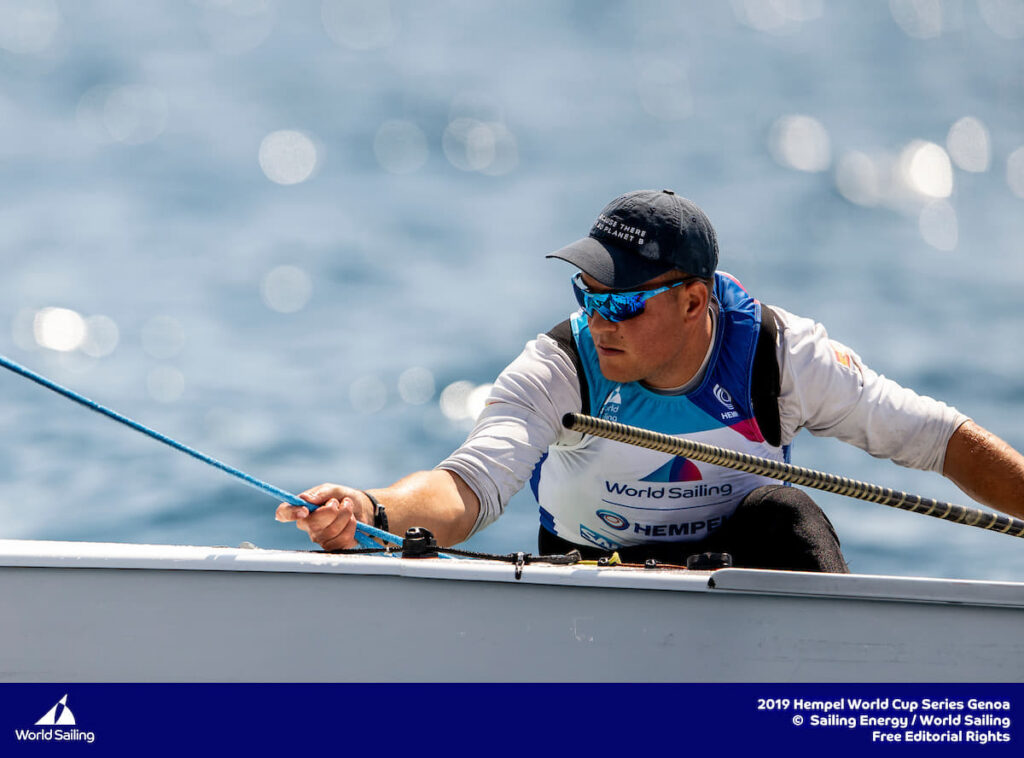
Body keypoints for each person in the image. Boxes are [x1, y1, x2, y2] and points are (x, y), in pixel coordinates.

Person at [276, 189, 1024, 572]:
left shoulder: (779, 355)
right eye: (589, 295)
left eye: (625, 302)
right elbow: (466, 490)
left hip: (737, 582)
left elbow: (940, 442)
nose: (601, 319)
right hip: (591, 581)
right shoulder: (558, 366)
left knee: (790, 515)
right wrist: (368, 508)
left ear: (696, 301)